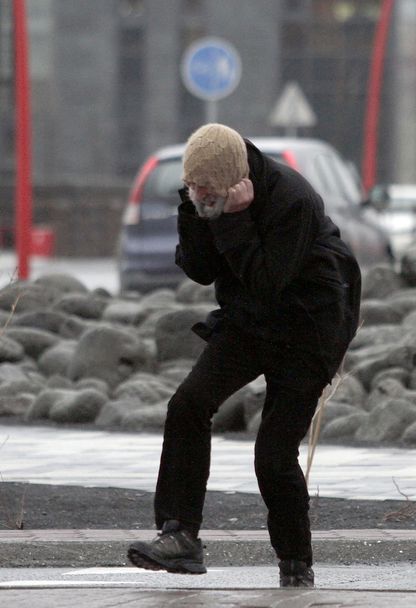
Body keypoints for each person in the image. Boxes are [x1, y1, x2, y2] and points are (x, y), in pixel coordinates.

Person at [127, 123, 361, 587]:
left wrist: (233, 218)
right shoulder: (202, 194)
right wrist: (197, 215)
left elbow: (265, 279)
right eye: (192, 186)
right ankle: (180, 536)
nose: (198, 194)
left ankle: (296, 565)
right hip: (250, 318)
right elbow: (199, 270)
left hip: (309, 327)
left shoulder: (292, 200)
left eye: (206, 189)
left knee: (272, 454)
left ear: (236, 182)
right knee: (188, 404)